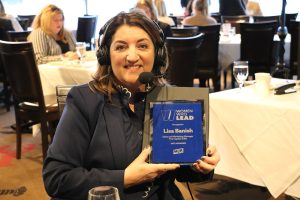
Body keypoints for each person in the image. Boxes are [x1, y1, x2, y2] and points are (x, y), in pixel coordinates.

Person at [43, 11, 220, 200]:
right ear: (106, 55)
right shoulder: (84, 100)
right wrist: (124, 178)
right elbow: (56, 178)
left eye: (143, 46)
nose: (132, 56)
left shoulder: (170, 98)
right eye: (121, 47)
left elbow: (180, 171)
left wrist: (201, 164)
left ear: (158, 54)